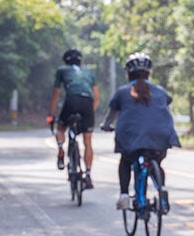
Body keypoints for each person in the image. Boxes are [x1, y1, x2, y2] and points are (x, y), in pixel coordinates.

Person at [100, 52, 181, 211]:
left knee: (125, 161)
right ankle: (161, 191)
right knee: (156, 163)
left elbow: (111, 116)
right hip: (161, 138)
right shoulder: (160, 91)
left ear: (128, 73)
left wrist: (106, 125)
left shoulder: (123, 92)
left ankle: (124, 195)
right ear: (149, 73)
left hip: (132, 140)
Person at [46, 48, 100, 189]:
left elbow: (56, 93)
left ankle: (60, 149)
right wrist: (90, 112)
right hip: (87, 102)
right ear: (80, 61)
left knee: (61, 129)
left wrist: (51, 113)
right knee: (87, 141)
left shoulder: (62, 70)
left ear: (65, 61)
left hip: (72, 100)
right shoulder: (89, 71)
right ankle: (88, 174)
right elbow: (96, 96)